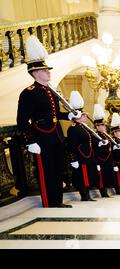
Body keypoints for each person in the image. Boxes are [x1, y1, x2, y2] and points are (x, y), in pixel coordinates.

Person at [16, 35, 72, 208]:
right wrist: (30, 141)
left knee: (57, 170)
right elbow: (22, 121)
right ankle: (49, 203)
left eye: (48, 70)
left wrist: (69, 116)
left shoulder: (50, 91)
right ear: (35, 73)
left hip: (56, 136)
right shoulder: (29, 93)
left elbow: (54, 113)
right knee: (46, 172)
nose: (48, 72)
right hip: (41, 138)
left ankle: (58, 201)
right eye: (44, 70)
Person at [67, 91, 108, 201]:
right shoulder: (73, 128)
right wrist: (73, 159)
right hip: (80, 156)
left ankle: (87, 195)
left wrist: (99, 142)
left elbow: (90, 139)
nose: (85, 116)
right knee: (82, 176)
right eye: (83, 115)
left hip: (88, 156)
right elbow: (71, 145)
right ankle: (84, 196)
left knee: (89, 176)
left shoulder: (84, 127)